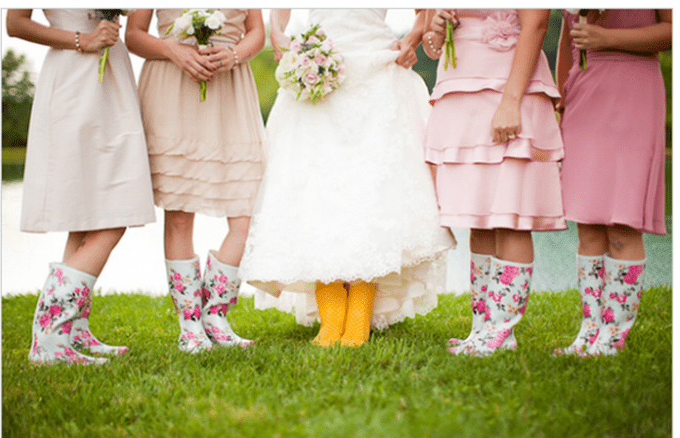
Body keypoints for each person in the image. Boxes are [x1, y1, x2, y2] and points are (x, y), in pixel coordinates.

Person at [239, 9, 455, 348]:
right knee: (318, 192)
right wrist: (277, 33)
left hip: (378, 74)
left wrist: (410, 39)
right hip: (319, 68)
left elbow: (425, 10)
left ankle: (358, 319)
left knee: (371, 195)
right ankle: (331, 320)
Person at [7, 9, 157, 365]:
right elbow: (14, 23)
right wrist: (83, 40)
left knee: (86, 213)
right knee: (113, 215)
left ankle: (73, 330)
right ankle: (47, 337)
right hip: (72, 78)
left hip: (114, 75)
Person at [423, 9, 565, 356]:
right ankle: (483, 327)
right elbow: (431, 45)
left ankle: (501, 330)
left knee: (509, 218)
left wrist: (511, 102)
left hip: (507, 92)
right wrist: (438, 30)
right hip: (461, 96)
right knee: (479, 220)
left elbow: (536, 25)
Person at [125, 9, 266, 353]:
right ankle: (189, 323)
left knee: (246, 208)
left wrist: (233, 55)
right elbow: (133, 34)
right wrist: (174, 51)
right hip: (173, 87)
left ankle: (215, 315)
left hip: (231, 89)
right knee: (179, 212)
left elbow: (256, 32)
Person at [552, 9, 671, 356]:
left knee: (621, 223)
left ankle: (613, 335)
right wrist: (561, 97)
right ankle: (589, 330)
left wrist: (609, 39)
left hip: (633, 88)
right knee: (587, 223)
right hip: (584, 91)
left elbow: (671, 31)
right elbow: (567, 40)